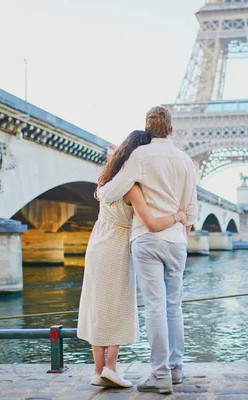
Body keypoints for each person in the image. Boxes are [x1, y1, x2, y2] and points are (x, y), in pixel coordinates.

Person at [97, 106, 198, 394]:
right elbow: (191, 210)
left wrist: (102, 190)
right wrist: (181, 234)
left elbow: (111, 191)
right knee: (174, 307)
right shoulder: (185, 160)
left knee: (155, 307)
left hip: (147, 239)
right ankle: (177, 369)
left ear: (146, 128)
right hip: (176, 240)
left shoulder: (139, 156)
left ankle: (160, 374)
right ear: (171, 129)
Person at [77, 130, 188, 388]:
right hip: (116, 246)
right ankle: (112, 368)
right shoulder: (132, 187)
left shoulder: (105, 182)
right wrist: (178, 217)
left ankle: (97, 371)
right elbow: (150, 223)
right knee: (117, 306)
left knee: (97, 305)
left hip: (96, 243)